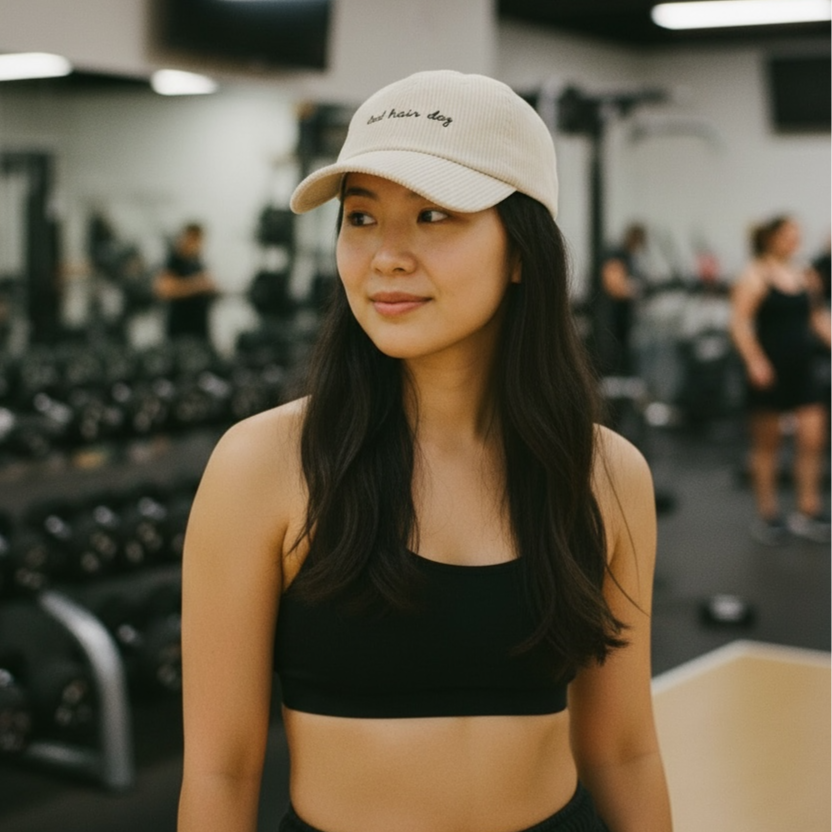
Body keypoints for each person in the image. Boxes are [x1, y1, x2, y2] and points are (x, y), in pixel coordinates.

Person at [177, 70, 672, 832]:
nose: (386, 257)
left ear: (522, 252)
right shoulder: (264, 467)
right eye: (362, 217)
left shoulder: (605, 474)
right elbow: (221, 770)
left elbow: (624, 749)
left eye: (434, 214)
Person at [731, 215, 832, 544]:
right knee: (767, 447)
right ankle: (769, 515)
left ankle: (808, 509)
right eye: (789, 234)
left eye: (797, 234)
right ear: (771, 238)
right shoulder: (755, 275)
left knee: (812, 439)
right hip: (769, 372)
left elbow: (817, 318)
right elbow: (739, 324)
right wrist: (755, 361)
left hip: (803, 369)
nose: (795, 240)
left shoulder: (806, 275)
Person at [154, 222, 218, 340]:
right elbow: (164, 289)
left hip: (198, 331)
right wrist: (197, 285)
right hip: (180, 332)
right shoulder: (174, 260)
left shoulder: (197, 261)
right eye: (194, 239)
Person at [600, 224, 647, 376]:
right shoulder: (616, 255)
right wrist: (634, 289)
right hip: (611, 318)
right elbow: (614, 287)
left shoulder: (631, 258)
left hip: (624, 320)